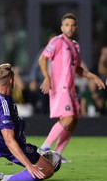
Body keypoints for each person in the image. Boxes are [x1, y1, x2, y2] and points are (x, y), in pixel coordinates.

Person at [38, 13, 106, 163]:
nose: (69, 27)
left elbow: (78, 69)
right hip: (59, 87)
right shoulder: (56, 41)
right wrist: (47, 77)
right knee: (68, 118)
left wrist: (93, 77)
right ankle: (44, 148)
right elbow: (42, 58)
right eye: (66, 25)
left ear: (76, 28)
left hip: (70, 89)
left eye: (72, 25)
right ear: (62, 27)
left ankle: (57, 154)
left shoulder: (75, 45)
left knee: (74, 120)